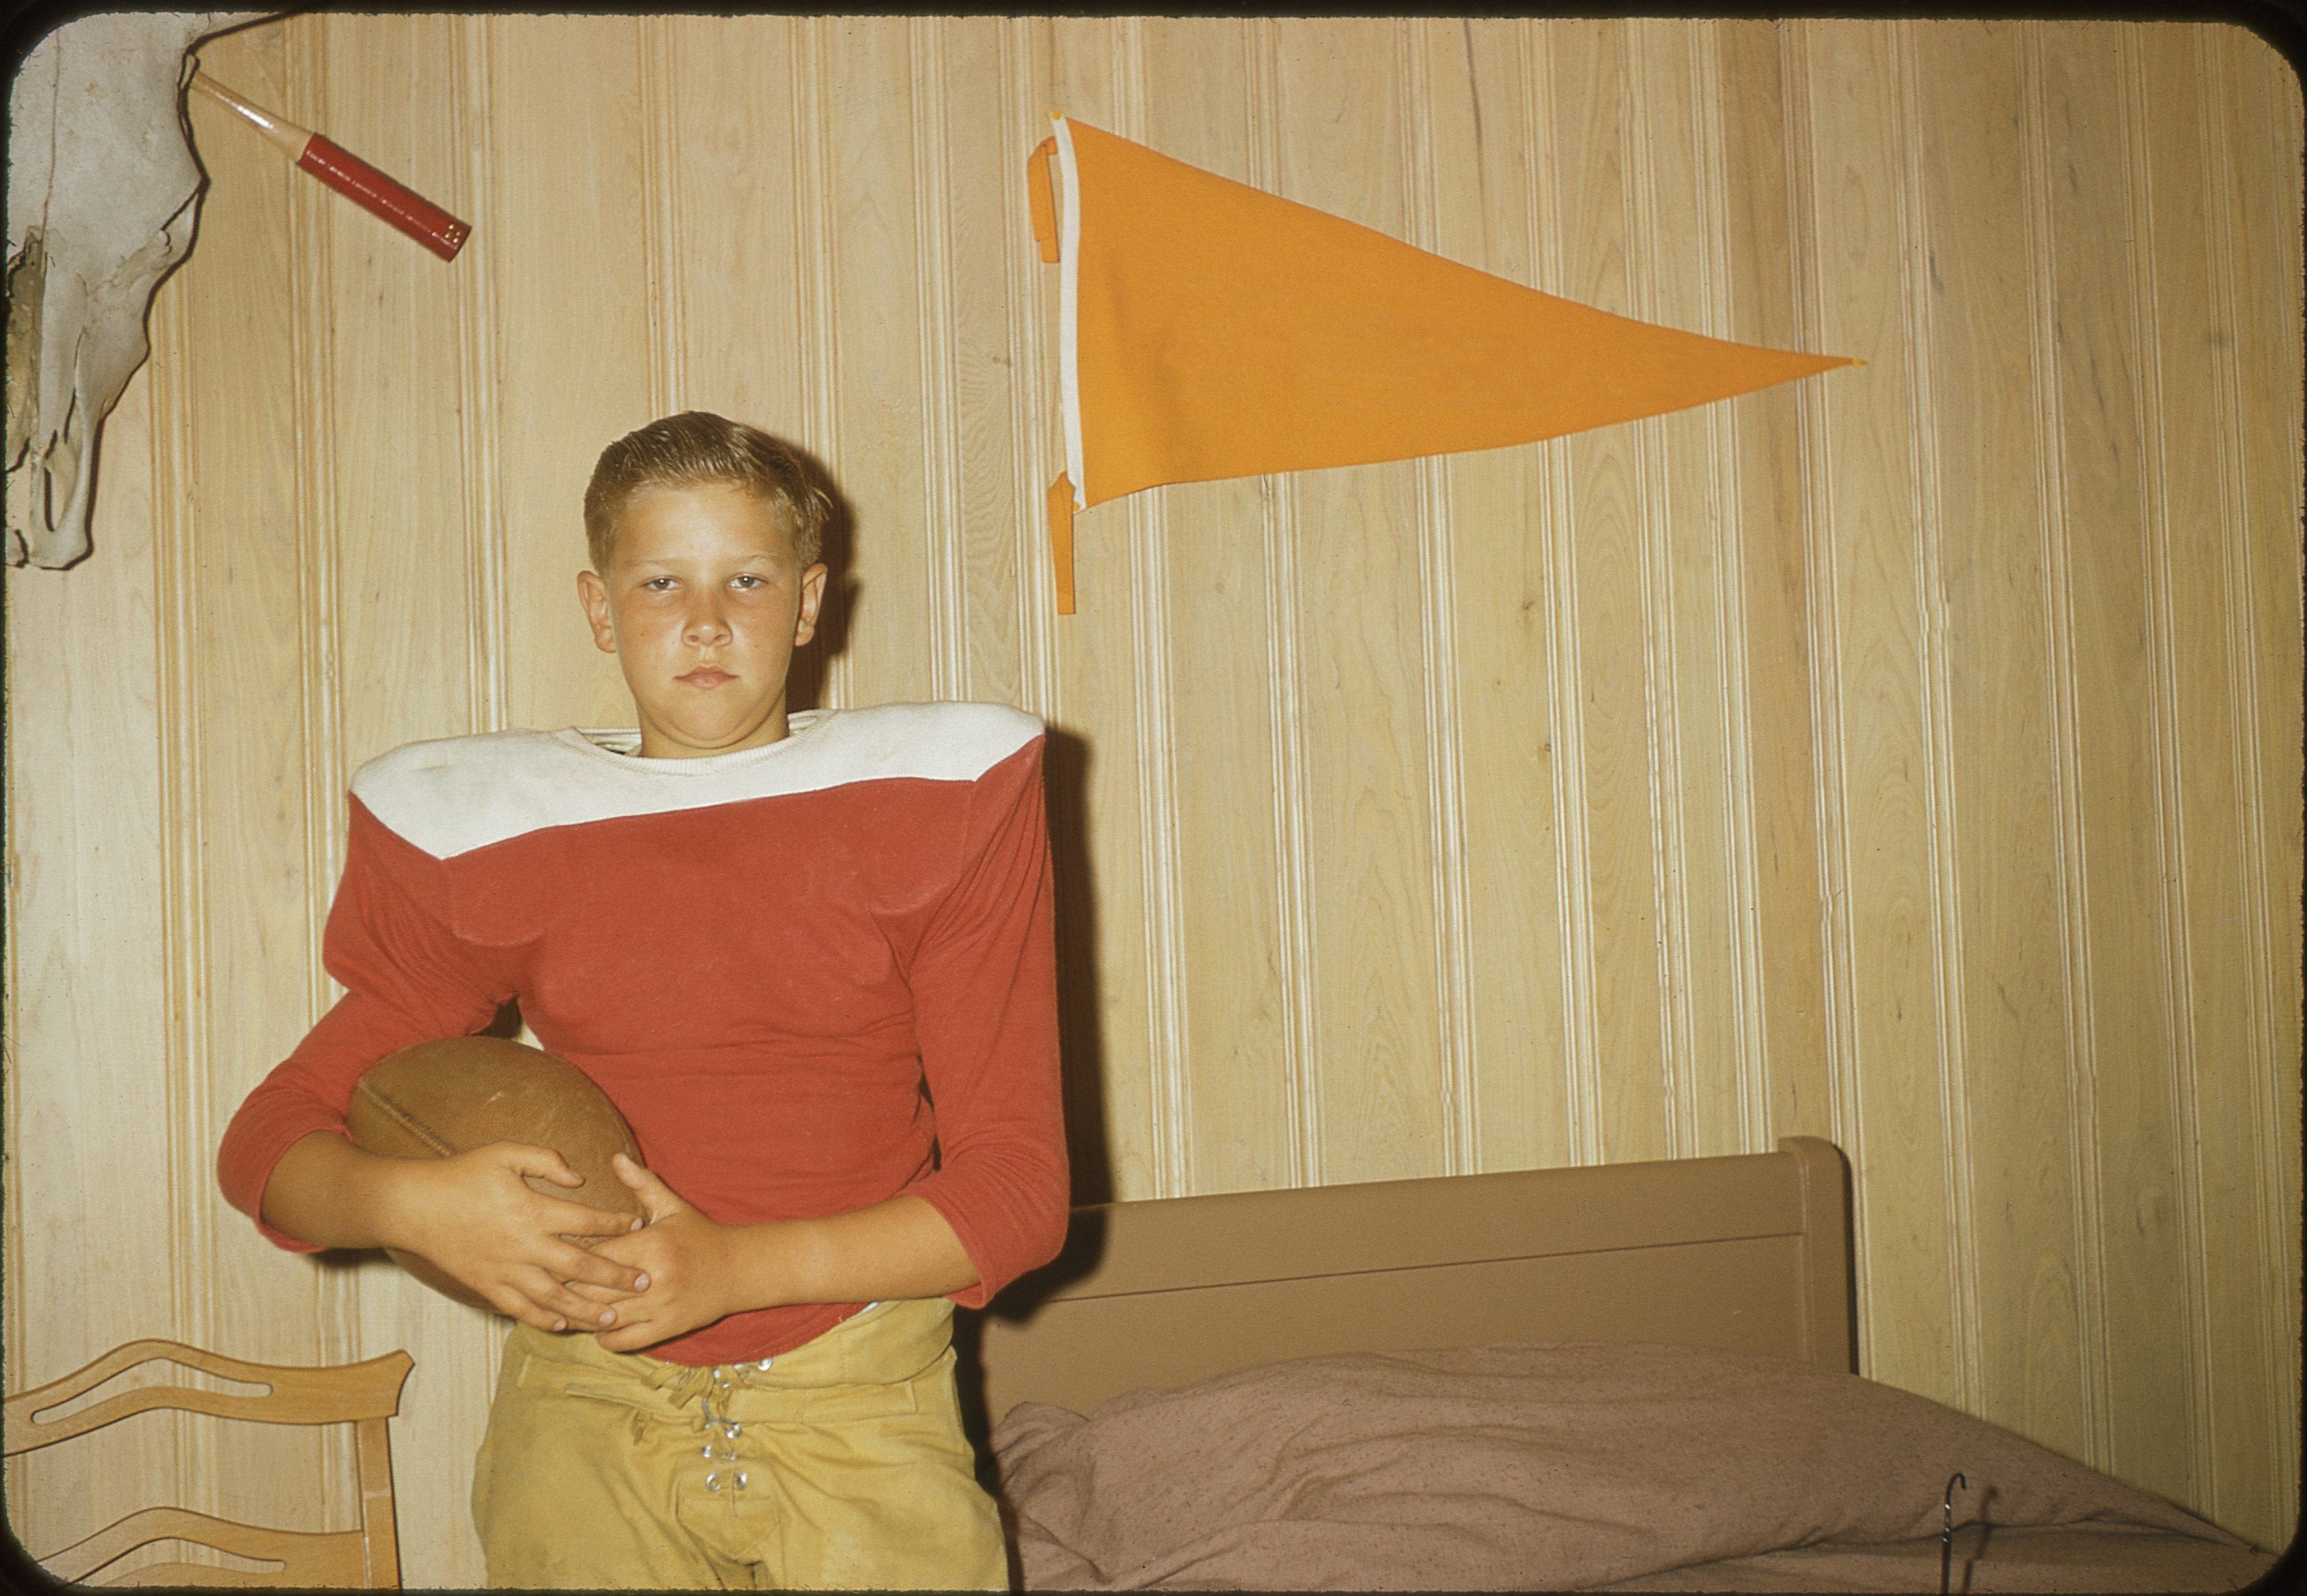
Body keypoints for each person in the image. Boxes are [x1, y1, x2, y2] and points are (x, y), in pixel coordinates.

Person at [216, 411, 1068, 1589]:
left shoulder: (938, 800)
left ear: (810, 605)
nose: (705, 621)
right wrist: (414, 1204)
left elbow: (1017, 1195)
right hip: (588, 1408)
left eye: (748, 580)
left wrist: (737, 1270)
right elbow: (267, 1144)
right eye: (661, 581)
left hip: (861, 1392)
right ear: (599, 607)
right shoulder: (498, 838)